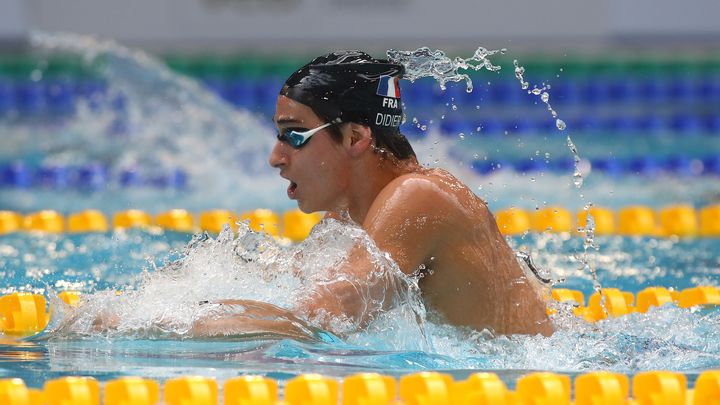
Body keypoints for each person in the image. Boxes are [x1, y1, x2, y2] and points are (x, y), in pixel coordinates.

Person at [191, 51, 553, 338]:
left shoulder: (420, 196)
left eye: (294, 135)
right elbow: (294, 288)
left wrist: (175, 326)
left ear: (355, 138)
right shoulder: (347, 215)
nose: (276, 158)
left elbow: (320, 319)